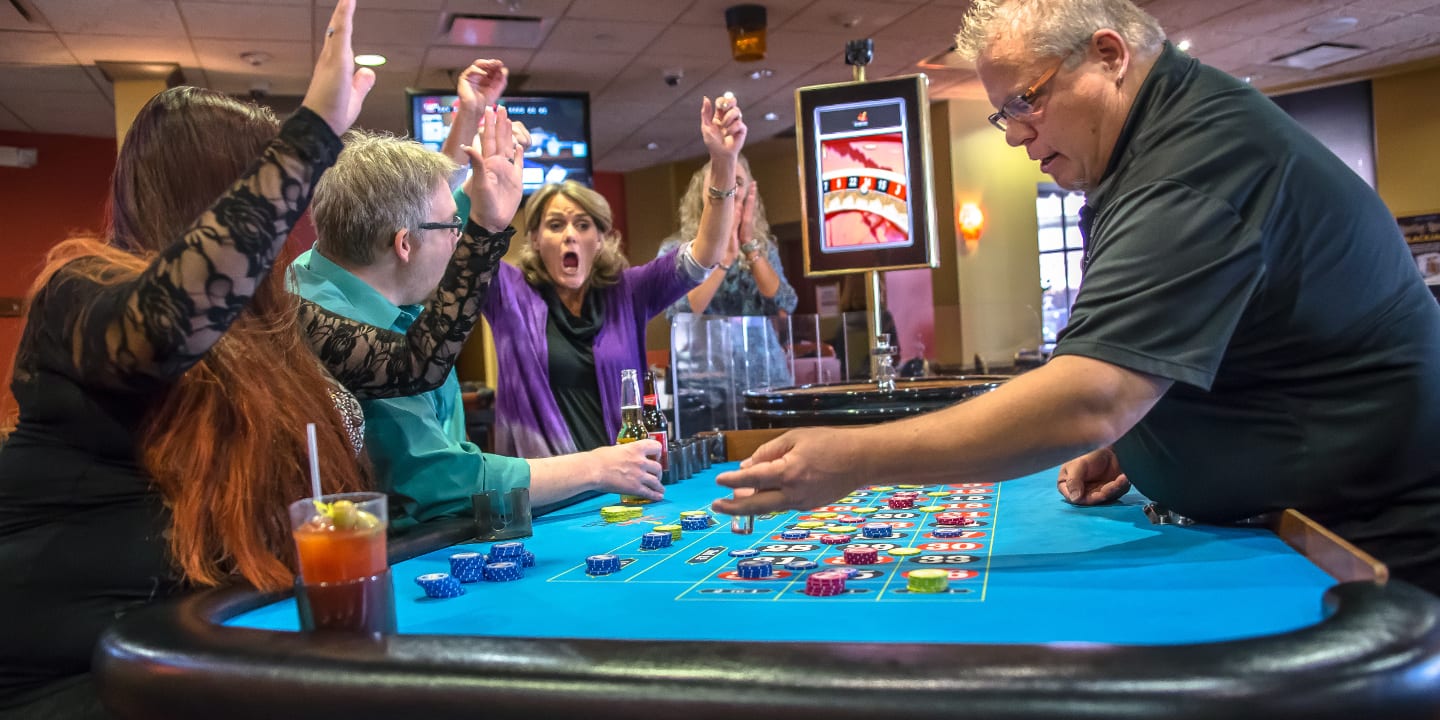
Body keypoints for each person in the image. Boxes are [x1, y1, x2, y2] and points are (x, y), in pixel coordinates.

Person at [713, 0, 1440, 596]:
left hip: (1365, 543)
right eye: (1003, 115)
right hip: (1297, 523)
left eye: (1026, 102)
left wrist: (855, 460)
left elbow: (1092, 394)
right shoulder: (1146, 147)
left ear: (1108, 55)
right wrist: (1152, 439)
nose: (1016, 135)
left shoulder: (1193, 160)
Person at [0, 2, 499, 714]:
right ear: (218, 201)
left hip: (201, 647)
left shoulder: (277, 320)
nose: (286, 234)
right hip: (77, 672)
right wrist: (310, 136)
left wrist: (485, 229)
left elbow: (414, 364)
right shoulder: (80, 291)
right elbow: (171, 326)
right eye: (271, 198)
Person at [294, 127, 667, 526]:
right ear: (404, 245)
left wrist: (477, 189)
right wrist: (595, 467)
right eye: (454, 228)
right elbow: (438, 481)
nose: (458, 240)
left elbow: (419, 224)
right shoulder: (337, 326)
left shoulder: (312, 273)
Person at [444, 76, 748, 458]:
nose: (570, 235)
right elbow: (444, 233)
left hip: (624, 486)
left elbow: (706, 254)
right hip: (545, 495)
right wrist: (472, 126)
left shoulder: (630, 292)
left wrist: (723, 162)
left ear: (600, 238)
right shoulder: (508, 292)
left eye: (583, 225)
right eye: (555, 225)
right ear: (535, 239)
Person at [660, 156, 799, 392]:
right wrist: (724, 257)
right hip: (704, 387)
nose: (729, 189)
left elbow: (784, 306)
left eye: (737, 181)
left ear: (749, 192)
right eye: (719, 180)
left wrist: (748, 244)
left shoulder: (764, 249)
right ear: (702, 195)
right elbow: (680, 311)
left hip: (766, 381)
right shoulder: (676, 250)